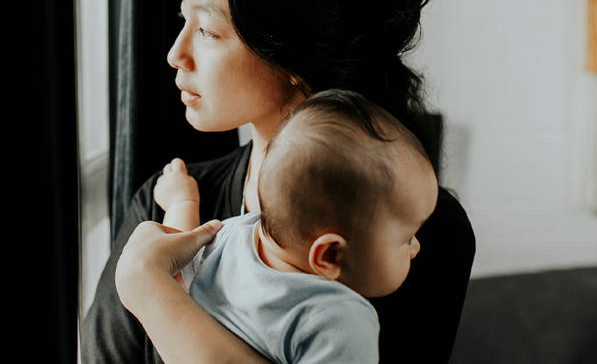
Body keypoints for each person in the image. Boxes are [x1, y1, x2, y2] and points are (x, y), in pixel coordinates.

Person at [81, 0, 475, 364]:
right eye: (183, 20)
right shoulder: (163, 202)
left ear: (289, 52)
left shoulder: (412, 234)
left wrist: (148, 289)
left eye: (207, 30)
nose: (175, 53)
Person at [146, 89, 438, 363]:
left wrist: (181, 203)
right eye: (406, 238)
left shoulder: (232, 236)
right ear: (330, 255)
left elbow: (176, 264)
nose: (416, 247)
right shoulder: (340, 322)